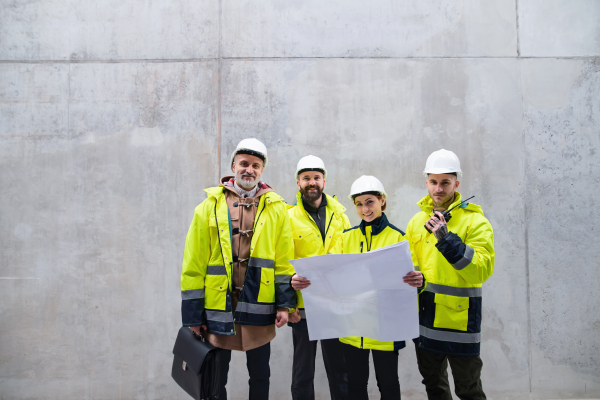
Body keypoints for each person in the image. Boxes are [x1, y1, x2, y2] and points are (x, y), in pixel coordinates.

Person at [180, 138, 297, 400]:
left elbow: (283, 261)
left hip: (260, 305)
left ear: (262, 170)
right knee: (215, 377)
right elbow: (193, 264)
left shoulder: (277, 208)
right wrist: (192, 316)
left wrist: (284, 305)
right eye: (244, 163)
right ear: (233, 165)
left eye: (256, 165)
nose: (249, 169)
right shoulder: (208, 206)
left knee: (260, 376)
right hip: (218, 308)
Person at [297, 175, 424, 400]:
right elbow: (327, 271)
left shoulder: (398, 238)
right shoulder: (346, 239)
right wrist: (300, 279)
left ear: (382, 201)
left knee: (388, 383)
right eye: (359, 204)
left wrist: (417, 281)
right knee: (355, 384)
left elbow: (411, 282)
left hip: (386, 328)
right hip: (353, 327)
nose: (365, 209)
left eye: (370, 202)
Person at [406, 149, 495, 400]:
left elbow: (481, 270)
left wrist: (446, 239)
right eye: (433, 182)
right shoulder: (416, 222)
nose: (438, 188)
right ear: (426, 183)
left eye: (445, 182)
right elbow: (411, 268)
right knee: (434, 387)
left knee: (468, 390)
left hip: (460, 320)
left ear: (457, 183)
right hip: (426, 319)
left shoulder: (475, 222)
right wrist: (413, 279)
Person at [287, 155, 350, 400]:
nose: (311, 182)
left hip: (334, 304)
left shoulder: (341, 216)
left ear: (324, 181)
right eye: (306, 178)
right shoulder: (288, 216)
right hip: (304, 308)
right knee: (303, 372)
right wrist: (289, 292)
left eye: (316, 178)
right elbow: (283, 260)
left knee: (340, 370)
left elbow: (348, 255)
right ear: (298, 183)